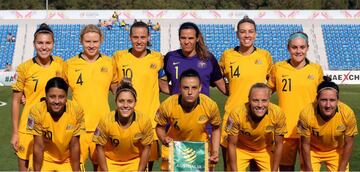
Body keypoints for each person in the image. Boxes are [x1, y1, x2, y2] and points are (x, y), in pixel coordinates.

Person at [219, 15, 273, 169]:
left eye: (250, 31)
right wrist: (229, 91)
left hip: (259, 117)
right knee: (230, 166)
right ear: (237, 34)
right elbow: (217, 77)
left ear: (255, 34)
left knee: (257, 163)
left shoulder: (265, 56)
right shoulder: (227, 55)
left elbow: (271, 82)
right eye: (243, 32)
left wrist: (263, 98)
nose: (247, 35)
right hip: (232, 115)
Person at [63, 24, 118, 170]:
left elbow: (116, 89)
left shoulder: (110, 63)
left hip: (102, 126)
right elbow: (57, 92)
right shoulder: (69, 64)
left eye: (95, 41)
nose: (91, 45)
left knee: (100, 166)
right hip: (77, 127)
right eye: (88, 41)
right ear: (81, 41)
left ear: (101, 41)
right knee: (75, 166)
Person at [112, 21, 166, 170]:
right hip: (125, 120)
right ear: (130, 37)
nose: (139, 41)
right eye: (135, 37)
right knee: (126, 162)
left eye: (143, 37)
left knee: (147, 164)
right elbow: (112, 83)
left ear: (148, 37)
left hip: (151, 120)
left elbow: (162, 84)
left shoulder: (157, 58)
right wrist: (120, 91)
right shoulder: (119, 57)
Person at [267, 31, 324, 171]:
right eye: (294, 47)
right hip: (285, 129)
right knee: (285, 168)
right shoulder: (278, 68)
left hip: (309, 130)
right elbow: (266, 93)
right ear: (288, 48)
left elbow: (323, 99)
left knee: (308, 168)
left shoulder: (316, 69)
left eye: (302, 47)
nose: (298, 51)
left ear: (307, 48)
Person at [11, 23, 63, 171]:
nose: (44, 47)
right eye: (40, 43)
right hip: (28, 127)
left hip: (52, 127)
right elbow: (15, 101)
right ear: (34, 44)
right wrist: (15, 132)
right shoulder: (24, 68)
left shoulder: (60, 65)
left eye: (48, 43)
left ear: (53, 44)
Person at [155, 69, 221, 171]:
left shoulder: (210, 105)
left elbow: (216, 128)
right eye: (186, 88)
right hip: (174, 149)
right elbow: (159, 127)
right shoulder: (168, 104)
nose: (190, 92)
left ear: (200, 88)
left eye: (194, 88)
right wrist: (164, 138)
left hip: (200, 150)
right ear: (180, 88)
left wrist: (215, 152)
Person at [298, 76, 358, 171]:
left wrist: (341, 169)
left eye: (332, 100)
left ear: (338, 100)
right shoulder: (306, 113)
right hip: (313, 150)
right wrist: (309, 169)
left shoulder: (347, 113)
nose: (328, 105)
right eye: (323, 100)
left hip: (336, 151)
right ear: (317, 99)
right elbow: (305, 144)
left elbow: (349, 143)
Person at [93, 79, 153, 171]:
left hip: (134, 161)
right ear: (115, 101)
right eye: (121, 101)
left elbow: (147, 148)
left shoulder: (144, 121)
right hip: (110, 162)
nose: (125, 105)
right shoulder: (106, 120)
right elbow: (99, 147)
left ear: (135, 102)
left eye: (130, 101)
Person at [27, 77, 84, 171]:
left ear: (66, 97)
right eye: (52, 96)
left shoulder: (76, 110)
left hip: (67, 159)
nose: (57, 101)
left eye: (61, 97)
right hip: (45, 159)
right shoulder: (36, 111)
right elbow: (38, 146)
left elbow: (74, 145)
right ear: (46, 97)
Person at [226, 83, 286, 171]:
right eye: (255, 100)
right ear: (249, 100)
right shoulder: (236, 113)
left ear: (269, 100)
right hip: (241, 148)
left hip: (264, 149)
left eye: (264, 100)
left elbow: (279, 144)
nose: (260, 105)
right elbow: (232, 144)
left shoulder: (278, 113)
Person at [164, 22, 226, 96]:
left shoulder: (208, 58)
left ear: (197, 39)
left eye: (190, 38)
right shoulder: (170, 57)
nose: (186, 42)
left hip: (203, 107)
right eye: (183, 38)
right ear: (179, 38)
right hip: (176, 107)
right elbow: (161, 82)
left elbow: (223, 88)